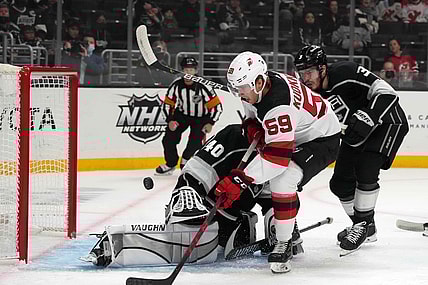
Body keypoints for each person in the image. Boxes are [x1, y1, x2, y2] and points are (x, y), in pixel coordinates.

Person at [218, 51, 341, 273]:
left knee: (284, 178)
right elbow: (252, 109)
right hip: (300, 132)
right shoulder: (262, 85)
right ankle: (285, 224)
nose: (240, 93)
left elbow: (277, 160)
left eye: (243, 87)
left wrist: (242, 179)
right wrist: (252, 124)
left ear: (258, 81)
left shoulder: (279, 106)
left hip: (322, 139)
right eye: (236, 87)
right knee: (267, 175)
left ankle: (283, 242)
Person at [294, 45, 409, 256]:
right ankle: (366, 227)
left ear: (323, 68)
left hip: (388, 123)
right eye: (301, 73)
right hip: (357, 134)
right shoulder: (310, 95)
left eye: (309, 71)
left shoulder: (346, 72)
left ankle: (362, 226)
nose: (305, 77)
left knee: (366, 169)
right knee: (339, 183)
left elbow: (388, 94)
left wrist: (370, 115)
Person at [155, 57, 223, 175]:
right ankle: (170, 164)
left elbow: (217, 107)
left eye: (191, 70)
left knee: (195, 142)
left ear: (196, 71)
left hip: (201, 118)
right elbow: (167, 104)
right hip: (181, 115)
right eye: (186, 70)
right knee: (168, 139)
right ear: (182, 71)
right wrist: (170, 120)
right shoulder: (176, 85)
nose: (188, 73)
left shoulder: (204, 86)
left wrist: (210, 122)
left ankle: (185, 162)